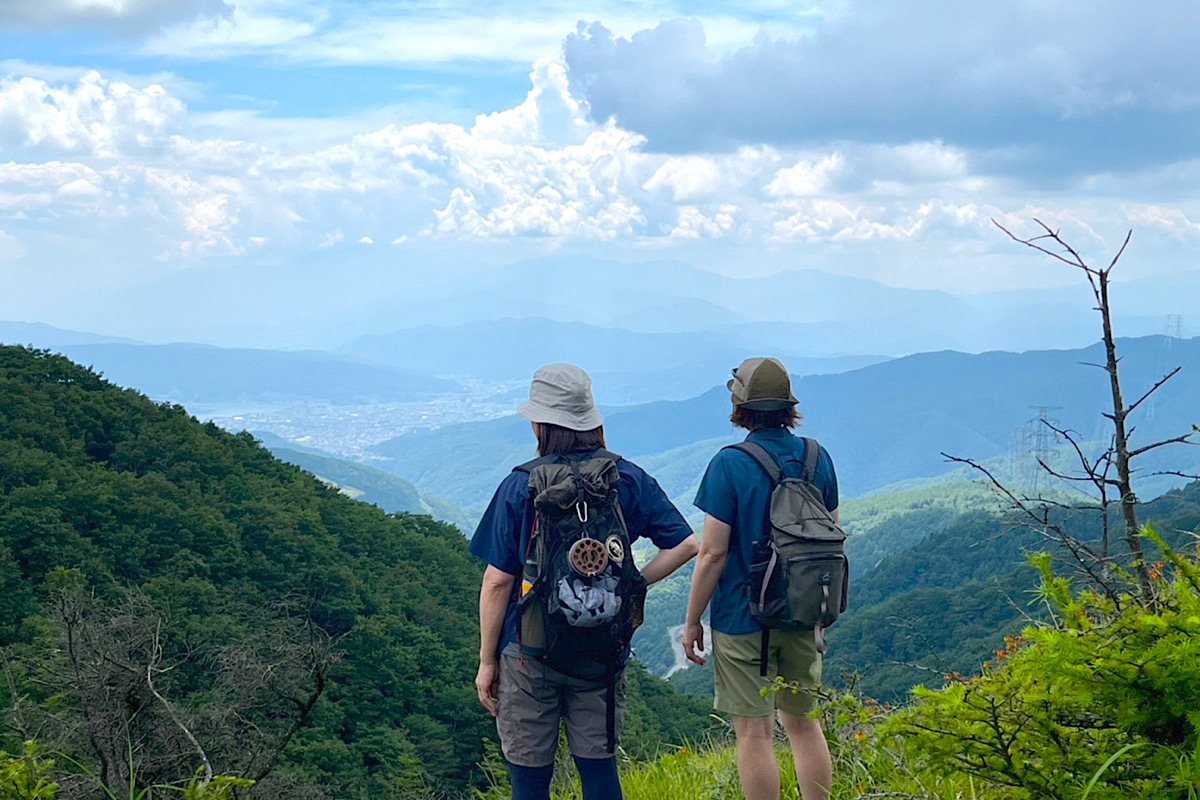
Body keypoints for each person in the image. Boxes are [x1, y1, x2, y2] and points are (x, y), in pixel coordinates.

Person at [471, 363, 699, 800]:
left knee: (529, 782)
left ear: (541, 424)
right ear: (590, 420)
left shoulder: (521, 486)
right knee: (599, 775)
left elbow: (498, 582)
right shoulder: (624, 478)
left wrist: (487, 663)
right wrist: (632, 583)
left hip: (528, 654)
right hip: (601, 650)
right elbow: (687, 545)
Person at [683, 357, 839, 800]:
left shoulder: (730, 464)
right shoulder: (816, 457)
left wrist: (694, 619)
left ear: (740, 408)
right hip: (803, 610)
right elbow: (833, 534)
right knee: (804, 724)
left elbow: (712, 553)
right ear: (789, 407)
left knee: (754, 733)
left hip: (741, 614)